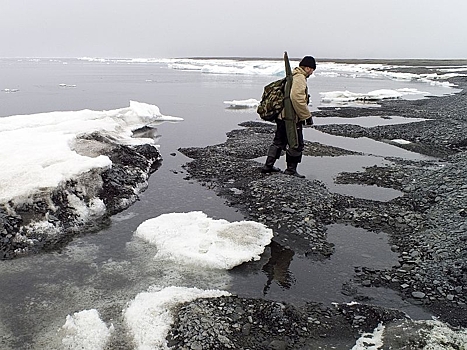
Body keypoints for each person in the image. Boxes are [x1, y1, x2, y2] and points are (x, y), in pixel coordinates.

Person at [261, 56, 316, 178]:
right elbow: (296, 98)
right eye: (312, 69)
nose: (312, 72)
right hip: (291, 118)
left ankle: (268, 166)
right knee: (296, 143)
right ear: (307, 68)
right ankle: (291, 170)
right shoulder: (300, 77)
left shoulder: (292, 76)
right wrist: (306, 116)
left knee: (279, 141)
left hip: (282, 116)